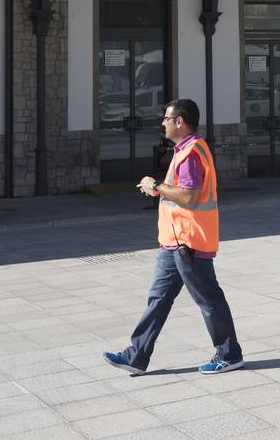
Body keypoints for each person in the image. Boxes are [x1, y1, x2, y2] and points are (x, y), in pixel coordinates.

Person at [104, 99, 243, 376]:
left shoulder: (191, 152)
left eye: (166, 119)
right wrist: (160, 190)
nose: (163, 123)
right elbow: (181, 192)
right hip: (173, 242)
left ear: (180, 121)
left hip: (188, 243)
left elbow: (190, 197)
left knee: (208, 299)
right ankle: (136, 355)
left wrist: (156, 185)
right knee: (158, 299)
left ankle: (229, 354)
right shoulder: (186, 150)